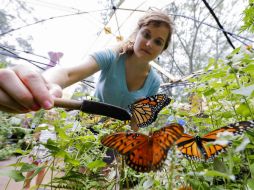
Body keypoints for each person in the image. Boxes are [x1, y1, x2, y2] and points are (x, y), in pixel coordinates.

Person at [0, 10, 173, 113]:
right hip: (87, 130)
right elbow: (68, 73)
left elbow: (137, 119)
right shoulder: (113, 56)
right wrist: (43, 85)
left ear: (162, 49)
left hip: (116, 140)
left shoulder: (154, 82)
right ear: (136, 34)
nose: (149, 43)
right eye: (146, 34)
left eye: (158, 41)